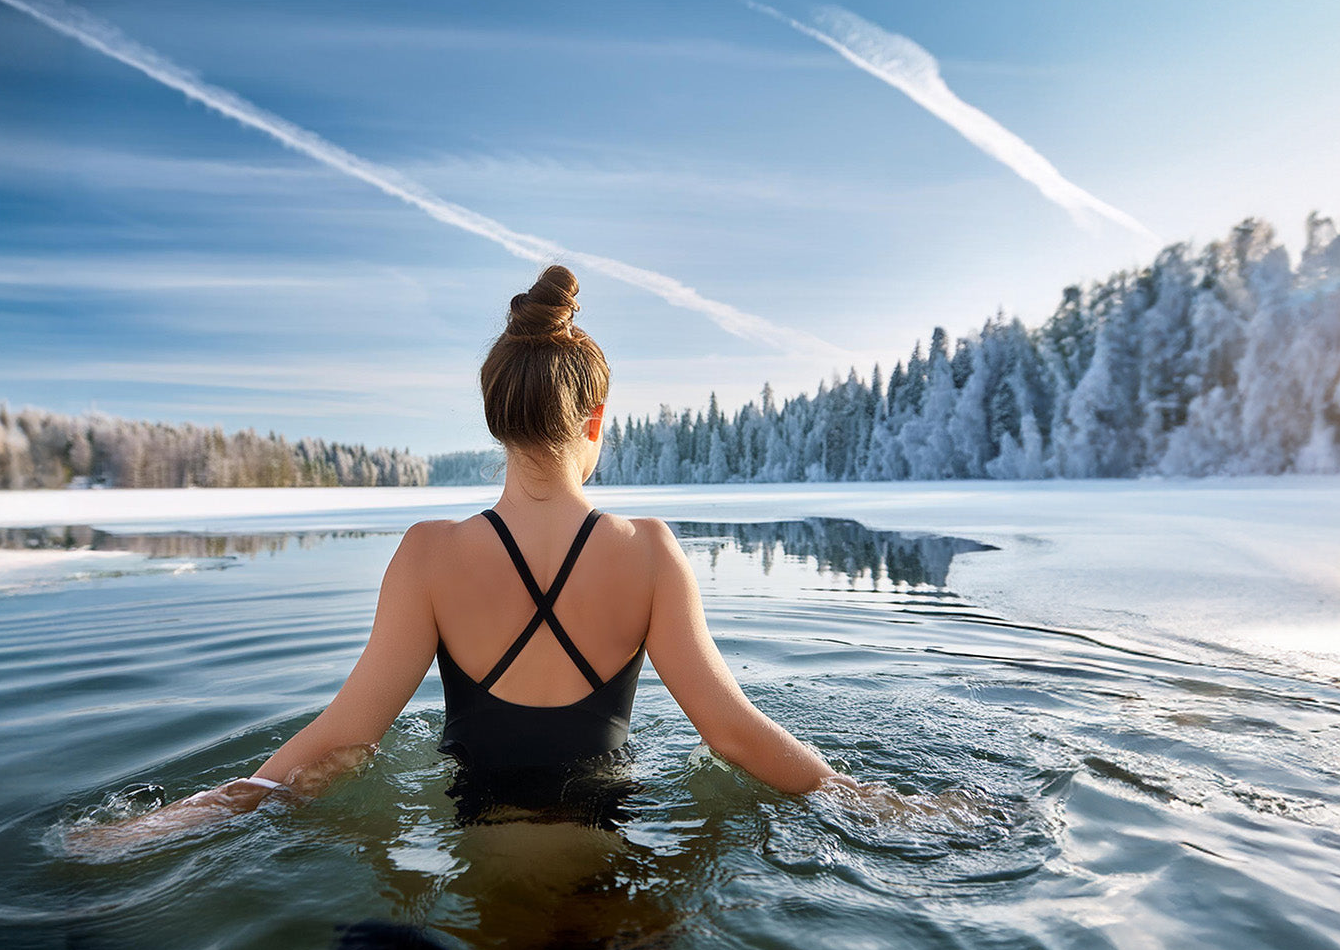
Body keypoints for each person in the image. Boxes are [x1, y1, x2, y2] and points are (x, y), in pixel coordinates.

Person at [68, 265, 933, 853]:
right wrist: (878, 806)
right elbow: (737, 737)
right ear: (596, 421)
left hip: (478, 853)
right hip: (610, 855)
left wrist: (174, 822)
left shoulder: (428, 556)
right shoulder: (650, 553)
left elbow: (342, 743)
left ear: (494, 418)